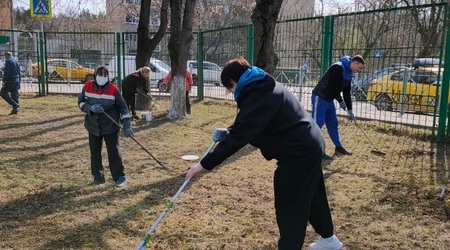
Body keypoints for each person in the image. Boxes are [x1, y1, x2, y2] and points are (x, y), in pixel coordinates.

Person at [186, 57, 343, 249]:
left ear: (236, 81)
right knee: (313, 196)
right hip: (310, 145)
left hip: (298, 153)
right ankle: (329, 240)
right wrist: (229, 132)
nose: (229, 91)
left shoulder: (258, 95)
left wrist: (202, 164)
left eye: (229, 86)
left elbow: (240, 135)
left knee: (290, 206)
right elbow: (248, 124)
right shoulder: (262, 84)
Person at [77, 66, 134, 187]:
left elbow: (123, 108)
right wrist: (90, 108)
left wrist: (127, 125)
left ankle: (119, 176)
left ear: (108, 77)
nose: (102, 77)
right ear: (95, 75)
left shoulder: (114, 90)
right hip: (93, 126)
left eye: (105, 75)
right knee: (95, 152)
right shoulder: (87, 87)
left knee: (113, 152)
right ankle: (98, 177)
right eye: (100, 74)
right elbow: (81, 102)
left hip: (110, 126)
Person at [311, 55, 365, 158]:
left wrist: (350, 109)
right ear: (355, 63)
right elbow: (332, 86)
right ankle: (313, 150)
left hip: (329, 98)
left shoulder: (349, 73)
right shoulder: (338, 67)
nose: (359, 71)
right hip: (320, 97)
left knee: (333, 123)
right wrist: (340, 101)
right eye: (359, 68)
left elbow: (347, 92)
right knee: (317, 124)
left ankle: (338, 147)